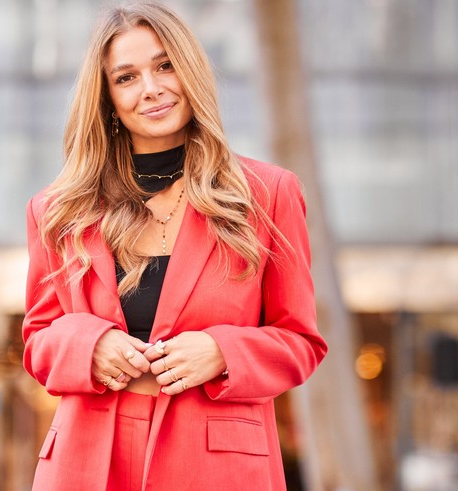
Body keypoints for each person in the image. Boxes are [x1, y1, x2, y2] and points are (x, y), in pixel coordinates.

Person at [22, 3, 327, 490]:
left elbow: (301, 342)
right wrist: (88, 345)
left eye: (165, 65)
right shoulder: (57, 210)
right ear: (107, 98)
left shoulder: (269, 194)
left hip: (217, 467)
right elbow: (38, 340)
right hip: (88, 464)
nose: (151, 89)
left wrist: (222, 351)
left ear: (190, 70)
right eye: (126, 77)